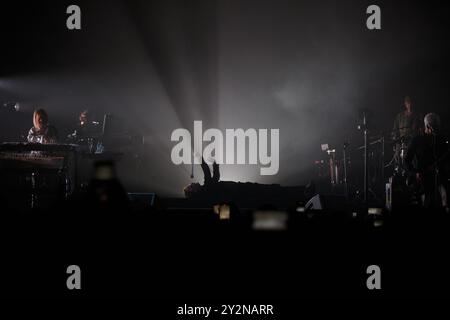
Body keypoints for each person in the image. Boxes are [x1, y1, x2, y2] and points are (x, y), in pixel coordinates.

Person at [405, 113, 449, 210]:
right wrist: (415, 173)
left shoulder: (441, 139)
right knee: (428, 202)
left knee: (445, 195)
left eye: (438, 126)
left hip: (439, 176)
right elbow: (407, 160)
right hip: (423, 178)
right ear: (428, 126)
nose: (438, 128)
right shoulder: (417, 139)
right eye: (435, 126)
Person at [392, 96, 422, 166]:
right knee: (400, 164)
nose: (410, 105)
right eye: (408, 103)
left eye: (411, 102)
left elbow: (419, 131)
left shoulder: (417, 116)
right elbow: (395, 131)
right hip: (401, 144)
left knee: (413, 163)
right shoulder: (399, 116)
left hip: (413, 144)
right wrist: (397, 147)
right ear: (405, 104)